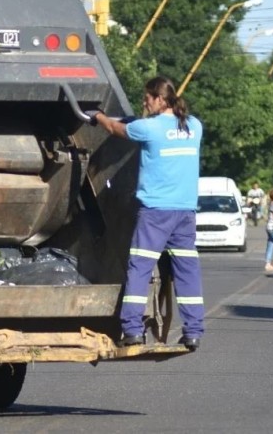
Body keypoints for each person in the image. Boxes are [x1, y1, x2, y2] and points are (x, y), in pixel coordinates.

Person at [89, 76, 204, 352]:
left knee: (139, 268)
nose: (144, 102)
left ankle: (132, 330)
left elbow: (116, 129)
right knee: (187, 270)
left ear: (160, 99)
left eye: (147, 98)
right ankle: (194, 332)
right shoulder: (194, 126)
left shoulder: (149, 129)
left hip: (155, 212)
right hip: (185, 212)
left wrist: (97, 116)